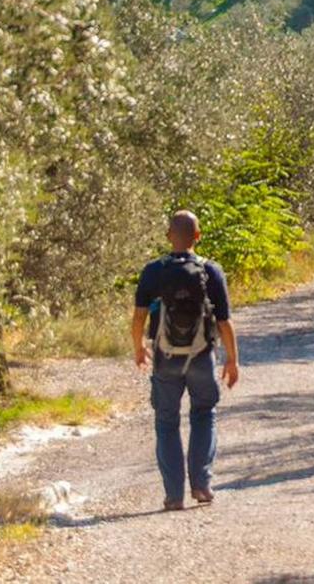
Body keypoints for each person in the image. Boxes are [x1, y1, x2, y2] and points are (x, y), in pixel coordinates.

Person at [132, 209, 239, 509]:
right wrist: (232, 359)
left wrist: (138, 347)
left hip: (165, 357)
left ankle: (174, 495)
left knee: (166, 422)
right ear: (198, 236)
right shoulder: (211, 271)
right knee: (204, 414)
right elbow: (224, 321)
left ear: (169, 236)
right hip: (202, 356)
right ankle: (202, 485)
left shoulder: (153, 271)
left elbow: (139, 316)